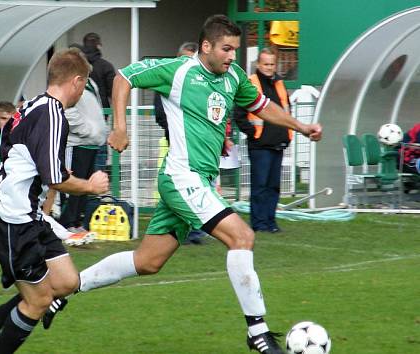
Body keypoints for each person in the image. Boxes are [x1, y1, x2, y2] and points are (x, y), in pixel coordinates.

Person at [44, 15, 322, 354]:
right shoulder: (177, 70)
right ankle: (258, 332)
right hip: (181, 177)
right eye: (227, 49)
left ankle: (65, 291)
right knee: (242, 236)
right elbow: (123, 78)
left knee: (147, 261)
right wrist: (119, 126)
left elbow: (261, 107)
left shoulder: (233, 76)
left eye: (235, 49)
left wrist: (301, 126)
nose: (233, 56)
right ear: (206, 46)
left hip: (198, 180)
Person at [0, 47, 108, 354]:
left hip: (29, 216)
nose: (82, 92)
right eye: (84, 85)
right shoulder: (55, 114)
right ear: (76, 81)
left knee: (67, 281)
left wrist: (43, 169)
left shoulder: (30, 105)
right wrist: (90, 185)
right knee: (39, 300)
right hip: (13, 221)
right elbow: (55, 179)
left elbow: (14, 150)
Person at [153, 41, 208, 245]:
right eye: (184, 58)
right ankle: (175, 230)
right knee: (177, 188)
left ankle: (193, 229)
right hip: (175, 145)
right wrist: (177, 129)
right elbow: (159, 114)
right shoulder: (167, 81)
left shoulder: (200, 85)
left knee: (196, 187)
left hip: (198, 149)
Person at [233, 48, 292, 233]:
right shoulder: (250, 83)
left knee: (273, 186)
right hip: (260, 145)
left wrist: (287, 134)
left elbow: (285, 111)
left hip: (278, 142)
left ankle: (270, 222)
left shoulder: (279, 84)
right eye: (266, 64)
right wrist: (253, 134)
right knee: (260, 186)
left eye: (272, 64)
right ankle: (258, 224)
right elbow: (239, 114)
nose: (269, 67)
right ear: (258, 64)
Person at [57, 77, 109, 231]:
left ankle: (76, 222)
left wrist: (99, 132)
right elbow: (67, 110)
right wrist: (87, 131)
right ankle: (66, 223)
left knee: (86, 185)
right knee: (72, 183)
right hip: (76, 144)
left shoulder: (91, 83)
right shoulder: (71, 83)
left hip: (92, 144)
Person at [82, 33, 116, 172]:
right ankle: (97, 184)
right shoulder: (105, 66)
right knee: (100, 154)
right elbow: (113, 92)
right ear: (98, 45)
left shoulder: (77, 67)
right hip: (101, 115)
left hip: (80, 118)